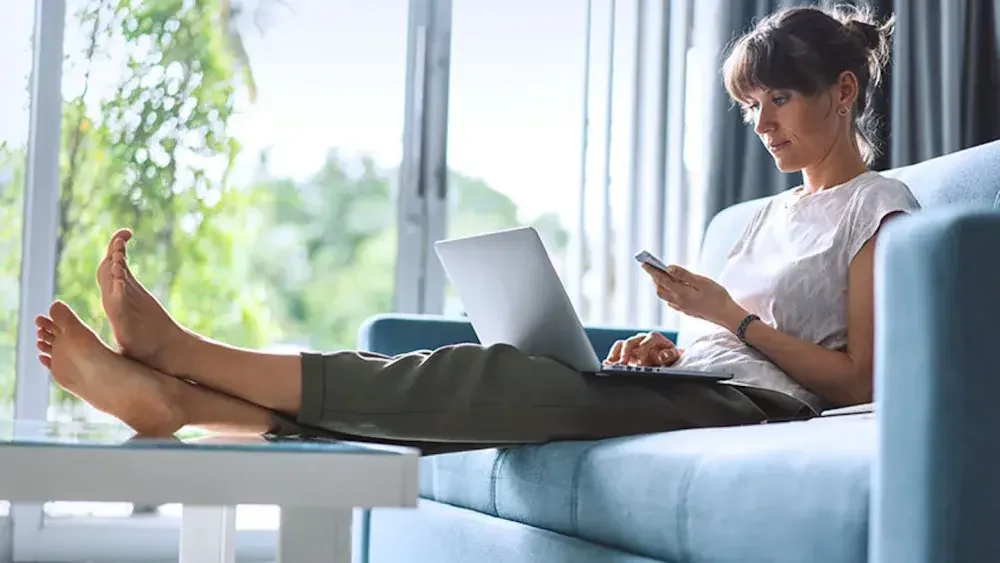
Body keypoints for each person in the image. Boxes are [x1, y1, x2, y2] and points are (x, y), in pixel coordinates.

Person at [33, 4, 917, 454]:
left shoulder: (880, 209)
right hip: (698, 386)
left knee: (482, 377)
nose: (762, 123)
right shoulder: (757, 216)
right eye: (750, 105)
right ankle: (181, 402)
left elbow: (859, 380)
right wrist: (665, 345)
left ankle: (184, 357)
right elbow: (717, 342)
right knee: (494, 381)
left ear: (843, 90)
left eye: (780, 99)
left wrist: (731, 320)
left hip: (757, 411)